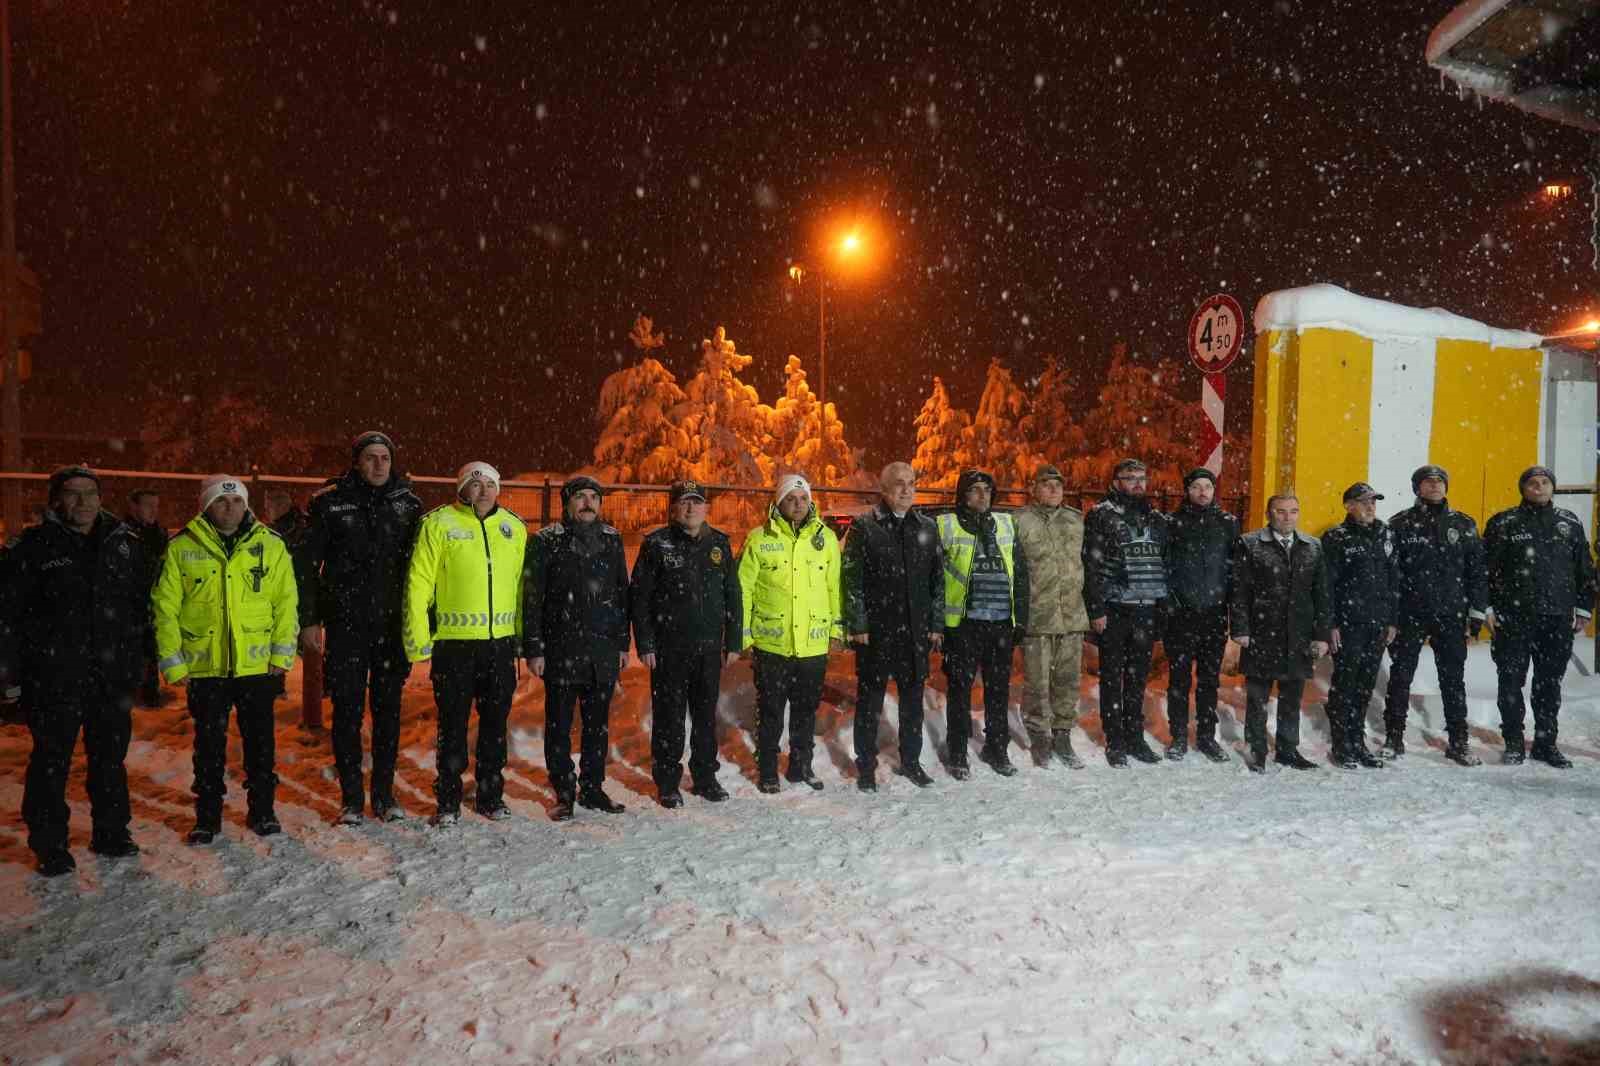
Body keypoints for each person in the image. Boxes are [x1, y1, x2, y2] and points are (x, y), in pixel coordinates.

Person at [0, 467, 149, 876]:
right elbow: (7, 616)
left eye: (90, 493)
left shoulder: (123, 544)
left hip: (110, 676)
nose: (83, 502)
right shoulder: (32, 548)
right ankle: (50, 845)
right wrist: (8, 674)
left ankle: (111, 832)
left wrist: (137, 662)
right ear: (56, 501)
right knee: (52, 761)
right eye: (73, 494)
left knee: (109, 759)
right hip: (53, 677)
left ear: (102, 499)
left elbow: (140, 608)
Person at [152, 475, 299, 843]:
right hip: (206, 668)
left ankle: (263, 811)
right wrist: (173, 661)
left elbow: (286, 602)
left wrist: (282, 653)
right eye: (221, 501)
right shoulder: (182, 547)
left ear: (246, 505)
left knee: (261, 746)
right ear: (206, 505)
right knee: (208, 748)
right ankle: (207, 816)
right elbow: (164, 608)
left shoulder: (270, 544)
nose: (230, 508)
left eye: (237, 502)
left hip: (257, 667)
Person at [296, 430, 423, 823]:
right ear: (356, 461)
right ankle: (352, 798)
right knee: (347, 712)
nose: (378, 464)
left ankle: (384, 796)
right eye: (370, 457)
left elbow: (422, 570)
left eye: (384, 457)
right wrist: (310, 620)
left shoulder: (408, 504)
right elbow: (306, 568)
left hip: (390, 627)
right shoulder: (330, 504)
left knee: (387, 712)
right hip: (347, 624)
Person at [404, 462, 528, 826]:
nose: (484, 490)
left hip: (499, 647)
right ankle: (448, 800)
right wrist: (418, 642)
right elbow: (418, 585)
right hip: (454, 648)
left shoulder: (514, 528)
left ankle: (491, 796)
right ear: (461, 489)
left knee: (494, 726)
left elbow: (522, 588)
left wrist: (521, 639)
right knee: (453, 727)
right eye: (476, 484)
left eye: (490, 484)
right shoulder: (439, 523)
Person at [629, 479, 741, 806]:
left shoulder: (719, 544)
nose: (690, 508)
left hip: (708, 651)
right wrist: (646, 644)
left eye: (696, 501)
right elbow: (640, 597)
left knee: (706, 717)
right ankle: (667, 782)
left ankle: (705, 777)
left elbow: (733, 595)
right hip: (669, 651)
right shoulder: (657, 544)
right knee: (669, 719)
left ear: (706, 508)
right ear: (674, 508)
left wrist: (732, 640)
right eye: (684, 502)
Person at [527, 475, 631, 820]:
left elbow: (621, 596)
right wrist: (534, 647)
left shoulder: (612, 540)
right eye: (580, 497)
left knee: (597, 726)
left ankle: (592, 788)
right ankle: (564, 790)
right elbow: (532, 597)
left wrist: (621, 643)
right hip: (560, 650)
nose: (588, 503)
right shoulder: (545, 541)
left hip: (601, 652)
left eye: (593, 497)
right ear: (567, 503)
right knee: (558, 725)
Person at [1483, 465, 1597, 767]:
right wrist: (1488, 607)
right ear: (1523, 488)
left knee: (1548, 685)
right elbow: (1485, 571)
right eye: (1532, 483)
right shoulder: (1503, 522)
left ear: (1552, 487)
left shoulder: (1569, 523)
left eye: (1545, 482)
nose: (1539, 488)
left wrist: (1585, 606)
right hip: (1513, 618)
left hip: (1557, 617)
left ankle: (1546, 743)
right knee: (1510, 682)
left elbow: (1584, 568)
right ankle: (1514, 743)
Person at [737, 474, 843, 792]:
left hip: (812, 645)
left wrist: (837, 630)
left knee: (805, 711)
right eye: (790, 499)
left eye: (802, 498)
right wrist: (744, 637)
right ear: (778, 503)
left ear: (810, 501)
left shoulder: (825, 540)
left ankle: (801, 766)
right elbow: (742, 589)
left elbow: (834, 587)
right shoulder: (759, 539)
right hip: (772, 644)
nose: (797, 504)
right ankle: (767, 769)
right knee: (770, 711)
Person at [842, 461, 944, 791]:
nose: (906, 489)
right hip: (877, 631)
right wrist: (858, 623)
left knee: (913, 702)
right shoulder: (865, 527)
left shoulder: (926, 527)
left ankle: (911, 762)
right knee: (870, 702)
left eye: (911, 483)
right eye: (898, 483)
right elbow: (851, 579)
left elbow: (937, 582)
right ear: (884, 490)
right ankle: (866, 766)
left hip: (914, 632)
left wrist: (935, 625)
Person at [1384, 465, 1488, 758]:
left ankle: (1458, 741)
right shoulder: (1399, 524)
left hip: (1451, 614)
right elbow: (1391, 574)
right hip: (1410, 613)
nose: (1435, 486)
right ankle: (1394, 739)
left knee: (1453, 678)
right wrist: (1392, 614)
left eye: (1440, 481)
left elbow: (1477, 572)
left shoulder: (1464, 523)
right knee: (1401, 676)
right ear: (1417, 488)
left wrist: (1477, 612)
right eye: (1428, 482)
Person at [936, 468, 1029, 778]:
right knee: (959, 691)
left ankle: (997, 748)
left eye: (987, 491)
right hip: (963, 625)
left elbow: (1021, 574)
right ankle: (958, 753)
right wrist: (938, 623)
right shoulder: (946, 525)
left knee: (998, 690)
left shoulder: (1005, 524)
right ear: (963, 494)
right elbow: (935, 579)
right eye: (975, 490)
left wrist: (1021, 619)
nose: (981, 496)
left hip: (1001, 623)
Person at [1229, 493, 1330, 772]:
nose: (1287, 517)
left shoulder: (1313, 546)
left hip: (1298, 634)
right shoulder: (1250, 544)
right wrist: (1241, 628)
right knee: (1258, 696)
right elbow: (1239, 591)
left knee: (1291, 696)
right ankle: (1256, 749)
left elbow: (1322, 594)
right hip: (1262, 631)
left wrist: (1321, 635)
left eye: (1293, 511)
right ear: (1269, 513)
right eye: (1281, 511)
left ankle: (1287, 748)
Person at [1082, 458, 1167, 767]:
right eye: (1130, 478)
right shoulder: (1100, 515)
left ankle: (1135, 736)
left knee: (1137, 679)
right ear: (1116, 481)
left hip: (1146, 608)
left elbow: (1163, 564)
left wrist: (1161, 608)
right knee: (1112, 677)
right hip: (1115, 609)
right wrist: (1096, 608)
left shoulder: (1155, 517)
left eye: (1141, 477)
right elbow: (1090, 565)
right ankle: (1114, 739)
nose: (1137, 484)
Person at [1012, 463, 1088, 769]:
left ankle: (1062, 735)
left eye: (1057, 484)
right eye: (1046, 484)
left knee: (1068, 680)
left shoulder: (1076, 520)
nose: (1053, 489)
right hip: (1038, 615)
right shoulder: (1020, 521)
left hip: (1071, 615)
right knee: (1037, 682)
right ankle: (1039, 736)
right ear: (1034, 489)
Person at [1162, 467, 1237, 763]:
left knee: (1209, 680)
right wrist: (1171, 603)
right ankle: (1178, 736)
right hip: (1180, 616)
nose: (1203, 492)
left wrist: (1230, 608)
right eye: (1197, 487)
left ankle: (1207, 737)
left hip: (1214, 615)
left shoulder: (1228, 523)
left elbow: (1233, 569)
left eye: (1208, 486)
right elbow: (1164, 566)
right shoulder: (1173, 523)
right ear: (1188, 490)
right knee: (1179, 679)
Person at [1321, 483, 1397, 769]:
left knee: (1365, 685)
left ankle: (1358, 740)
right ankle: (1341, 743)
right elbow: (1327, 585)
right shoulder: (1336, 537)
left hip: (1377, 623)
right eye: (1363, 502)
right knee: (1345, 684)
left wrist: (1392, 620)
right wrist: (1331, 623)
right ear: (1348, 506)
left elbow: (1394, 580)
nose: (1370, 507)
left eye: (1373, 502)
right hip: (1349, 624)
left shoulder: (1386, 533)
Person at [123, 488, 169, 707]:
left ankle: (150, 694)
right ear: (134, 507)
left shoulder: (159, 533)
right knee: (131, 649)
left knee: (151, 648)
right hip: (129, 601)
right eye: (148, 505)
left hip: (153, 599)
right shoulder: (121, 533)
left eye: (157, 505)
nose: (153, 510)